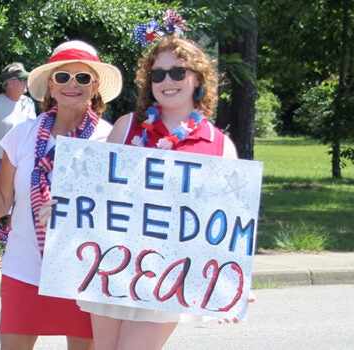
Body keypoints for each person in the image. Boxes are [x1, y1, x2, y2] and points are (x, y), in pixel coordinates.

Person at [78, 35, 253, 350]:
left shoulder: (218, 145)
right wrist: (64, 208)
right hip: (115, 264)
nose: (167, 81)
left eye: (178, 72)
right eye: (158, 74)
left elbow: (225, 223)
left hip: (168, 276)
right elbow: (96, 193)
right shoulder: (127, 127)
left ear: (197, 77)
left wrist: (232, 281)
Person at [0, 40, 122, 350]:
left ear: (95, 86)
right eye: (63, 77)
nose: (71, 85)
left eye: (83, 78)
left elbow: (118, 211)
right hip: (24, 268)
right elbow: (0, 206)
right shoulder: (23, 134)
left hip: (84, 271)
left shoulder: (110, 139)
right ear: (50, 84)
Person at [0, 62, 36, 272]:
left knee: (20, 209)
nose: (25, 83)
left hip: (23, 165)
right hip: (0, 163)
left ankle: (12, 251)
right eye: (21, 80)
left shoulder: (28, 104)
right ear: (9, 83)